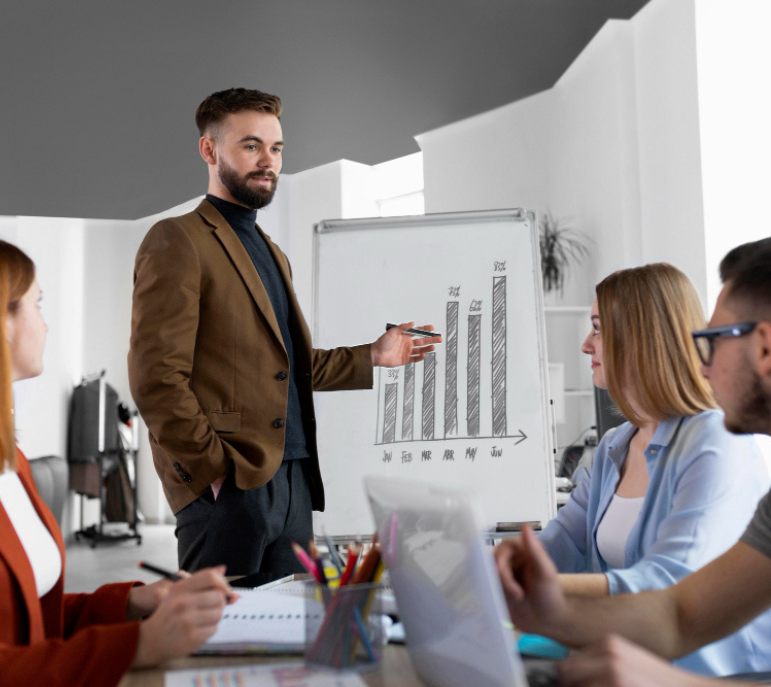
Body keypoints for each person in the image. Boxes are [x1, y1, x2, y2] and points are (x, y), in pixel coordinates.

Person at [128, 87, 441, 576]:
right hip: (232, 486)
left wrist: (374, 356)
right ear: (210, 151)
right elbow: (156, 378)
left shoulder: (273, 253)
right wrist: (215, 473)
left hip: (294, 480)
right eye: (250, 145)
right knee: (221, 642)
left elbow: (286, 366)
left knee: (292, 635)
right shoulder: (178, 239)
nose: (267, 160)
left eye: (275, 148)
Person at [495, 237, 771, 685]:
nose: (701, 365)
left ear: (762, 347)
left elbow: (669, 585)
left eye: (714, 341)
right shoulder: (614, 446)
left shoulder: (714, 440)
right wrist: (518, 581)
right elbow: (677, 613)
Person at [0, 241, 236, 686]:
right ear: (3, 321)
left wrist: (129, 604)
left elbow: (30, 619)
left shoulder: (14, 465)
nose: (46, 324)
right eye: (38, 304)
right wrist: (137, 646)